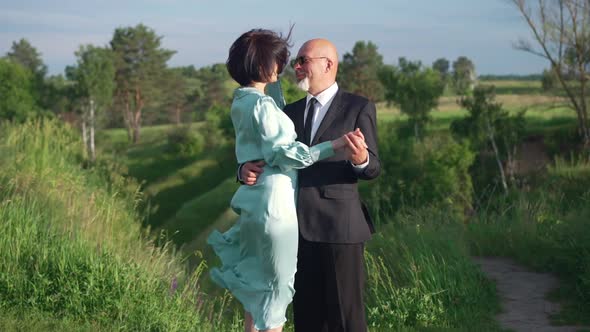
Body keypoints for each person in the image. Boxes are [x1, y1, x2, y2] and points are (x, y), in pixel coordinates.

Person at [207, 29, 365, 332]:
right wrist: (335, 145)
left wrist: (244, 168)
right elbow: (283, 152)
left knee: (258, 294)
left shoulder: (243, 101)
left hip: (296, 214)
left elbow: (255, 146)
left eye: (301, 60)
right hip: (278, 211)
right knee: (275, 295)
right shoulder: (270, 107)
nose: (289, 67)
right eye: (284, 61)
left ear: (329, 64)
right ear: (266, 65)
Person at [240, 38, 381, 331]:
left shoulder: (358, 107)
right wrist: (243, 170)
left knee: (346, 320)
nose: (297, 67)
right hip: (295, 230)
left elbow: (372, 169)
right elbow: (265, 154)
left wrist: (361, 159)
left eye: (304, 60)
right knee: (306, 320)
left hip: (339, 229)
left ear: (328, 64)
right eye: (296, 62)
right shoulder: (285, 112)